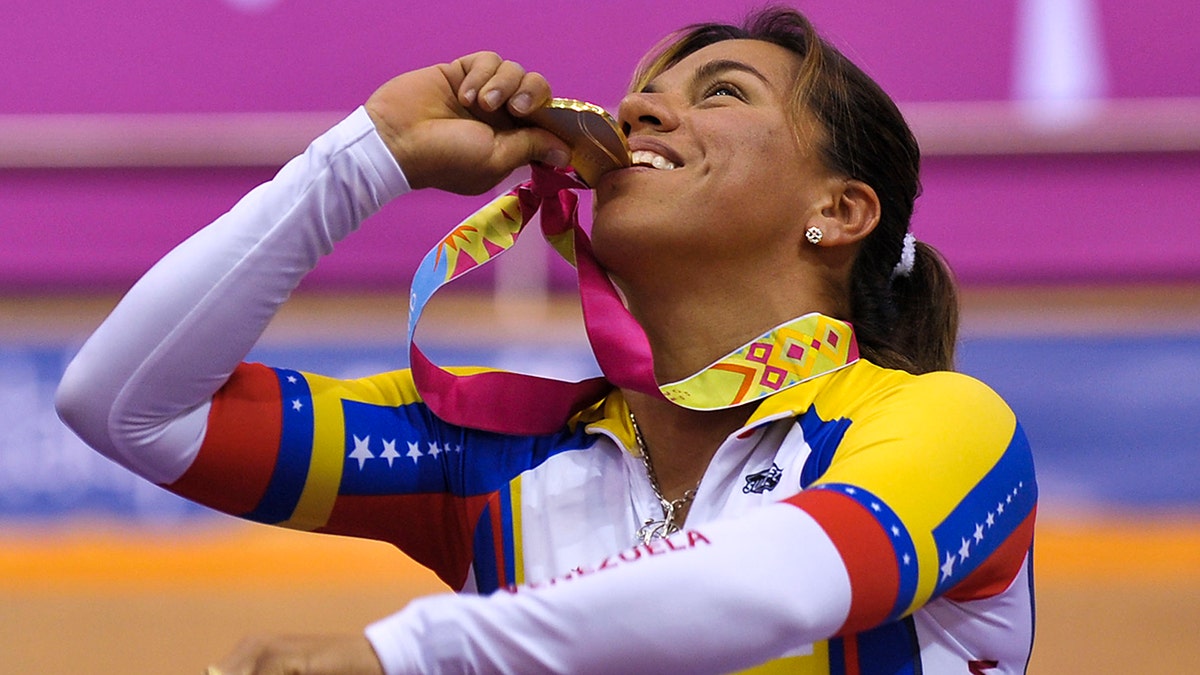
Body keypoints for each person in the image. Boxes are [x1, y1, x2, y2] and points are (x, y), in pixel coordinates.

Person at [56, 6, 1037, 674]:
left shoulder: (945, 426)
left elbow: (781, 586)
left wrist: (416, 654)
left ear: (841, 209)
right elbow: (124, 406)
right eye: (644, 91)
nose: (640, 107)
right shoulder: (493, 458)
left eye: (723, 92)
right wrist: (366, 160)